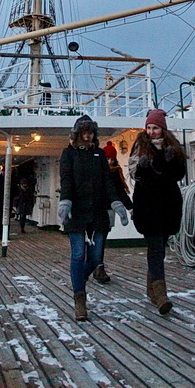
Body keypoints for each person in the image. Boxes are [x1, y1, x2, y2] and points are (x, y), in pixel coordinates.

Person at [58, 115, 128, 322]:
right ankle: (80, 299)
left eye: (90, 133)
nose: (88, 136)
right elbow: (66, 178)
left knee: (96, 258)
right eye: (84, 132)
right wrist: (66, 201)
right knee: (78, 254)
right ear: (77, 134)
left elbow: (108, 181)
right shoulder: (68, 154)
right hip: (77, 212)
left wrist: (116, 203)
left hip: (97, 212)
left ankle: (79, 279)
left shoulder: (99, 154)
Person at [128, 108, 186, 315]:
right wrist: (143, 167)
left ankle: (151, 290)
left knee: (160, 247)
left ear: (163, 129)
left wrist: (173, 161)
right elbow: (135, 173)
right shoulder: (140, 146)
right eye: (149, 128)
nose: (151, 132)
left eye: (155, 128)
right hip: (148, 206)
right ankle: (161, 295)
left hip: (168, 205)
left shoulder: (173, 148)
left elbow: (179, 174)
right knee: (155, 249)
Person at [92, 141, 132, 284]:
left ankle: (98, 267)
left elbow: (120, 193)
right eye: (107, 159)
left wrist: (130, 208)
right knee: (97, 239)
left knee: (101, 238)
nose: (109, 162)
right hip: (94, 210)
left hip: (109, 210)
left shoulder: (116, 174)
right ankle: (96, 266)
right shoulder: (97, 172)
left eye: (112, 159)